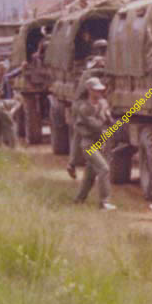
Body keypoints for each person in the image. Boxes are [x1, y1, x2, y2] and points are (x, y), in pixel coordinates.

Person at [72, 77, 116, 210]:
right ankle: (104, 202)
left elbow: (108, 120)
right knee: (104, 169)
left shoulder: (103, 103)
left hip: (99, 143)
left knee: (90, 175)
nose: (100, 92)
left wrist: (110, 119)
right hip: (89, 144)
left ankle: (79, 200)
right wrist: (105, 122)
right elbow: (95, 125)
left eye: (101, 90)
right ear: (89, 90)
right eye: (97, 90)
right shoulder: (84, 108)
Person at [66, 39, 108, 179]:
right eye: (102, 49)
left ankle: (79, 164)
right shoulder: (92, 66)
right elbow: (90, 80)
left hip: (90, 102)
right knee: (80, 135)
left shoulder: (99, 63)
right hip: (82, 104)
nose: (103, 52)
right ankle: (72, 164)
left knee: (82, 136)